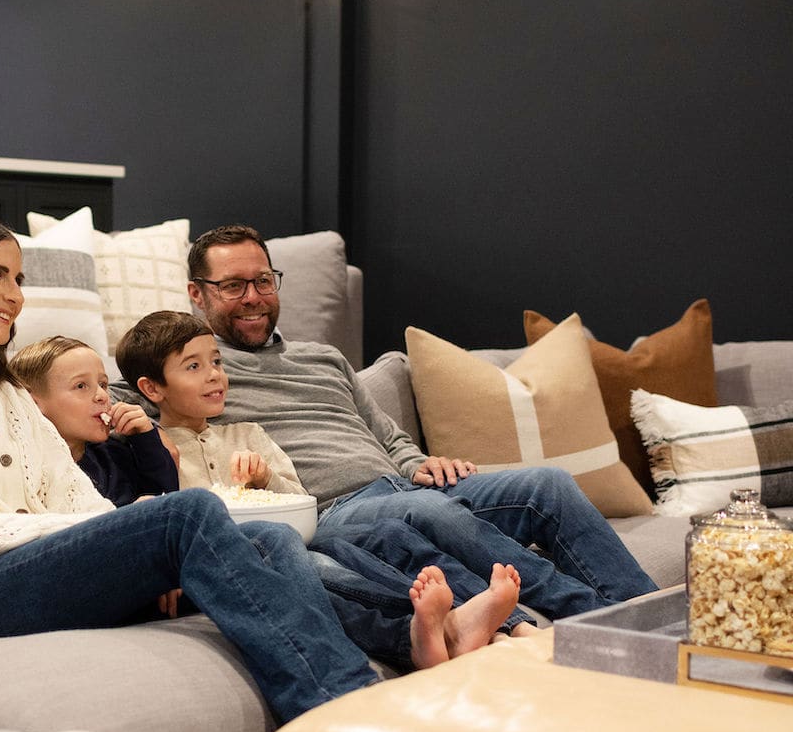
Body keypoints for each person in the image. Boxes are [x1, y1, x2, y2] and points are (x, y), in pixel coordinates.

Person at [0, 213, 387, 727]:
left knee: (266, 537)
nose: (14, 296)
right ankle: (335, 709)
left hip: (30, 571)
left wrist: (136, 542)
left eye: (19, 278)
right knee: (189, 511)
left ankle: (381, 663)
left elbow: (79, 499)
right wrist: (123, 533)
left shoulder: (8, 396)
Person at [158, 223, 658, 620]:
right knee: (428, 511)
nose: (252, 297)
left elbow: (386, 433)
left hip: (401, 488)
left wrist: (417, 462)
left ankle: (651, 614)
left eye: (263, 280)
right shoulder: (192, 370)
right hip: (329, 513)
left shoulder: (323, 358)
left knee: (546, 485)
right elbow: (117, 398)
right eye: (232, 286)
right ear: (196, 295)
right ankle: (595, 618)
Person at [112, 307, 530, 670]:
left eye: (217, 362)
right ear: (151, 389)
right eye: (194, 367)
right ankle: (437, 626)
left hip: (291, 539)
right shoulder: (152, 448)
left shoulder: (249, 434)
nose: (215, 376)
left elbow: (298, 497)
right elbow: (156, 510)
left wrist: (264, 481)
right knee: (320, 571)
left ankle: (482, 622)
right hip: (242, 559)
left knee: (364, 544)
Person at [12, 334, 181, 505]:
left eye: (103, 384)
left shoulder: (115, 455)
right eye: (80, 386)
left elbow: (167, 501)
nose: (102, 396)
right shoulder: (24, 468)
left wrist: (145, 439)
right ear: (32, 403)